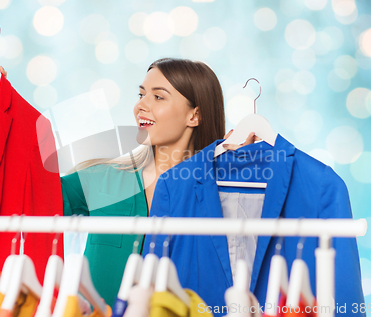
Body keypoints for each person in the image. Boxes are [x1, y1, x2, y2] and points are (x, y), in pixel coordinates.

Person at [60, 58, 257, 307]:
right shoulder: (100, 179)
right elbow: (25, 189)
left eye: (158, 97)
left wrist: (240, 168)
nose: (140, 106)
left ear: (194, 115)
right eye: (141, 95)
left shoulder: (224, 190)